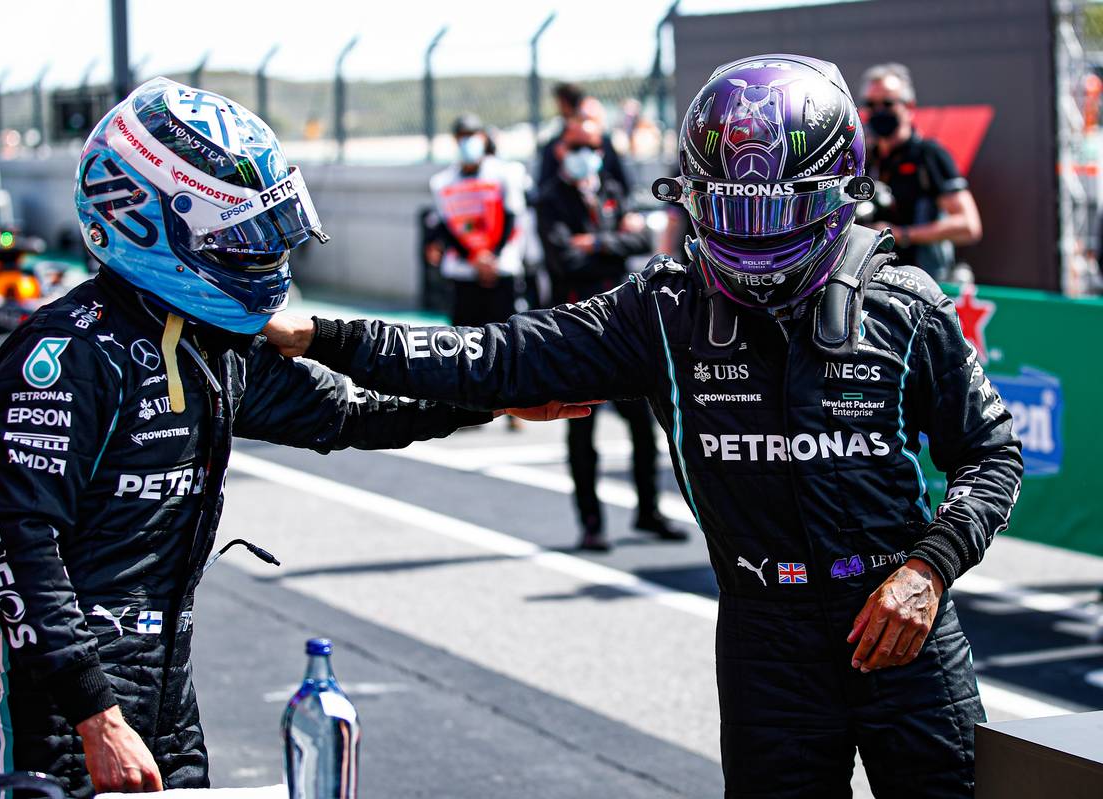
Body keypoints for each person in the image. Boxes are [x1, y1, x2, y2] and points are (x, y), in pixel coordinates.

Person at [266, 54, 1023, 798]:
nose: (752, 236)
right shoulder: (663, 310)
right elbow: (493, 356)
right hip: (768, 639)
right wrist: (327, 337)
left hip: (902, 628)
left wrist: (928, 569)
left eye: (774, 209)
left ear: (838, 194)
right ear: (691, 198)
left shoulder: (906, 308)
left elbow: (991, 454)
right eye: (730, 208)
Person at [0, 78, 586, 798]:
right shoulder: (67, 357)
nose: (259, 252)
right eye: (238, 235)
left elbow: (349, 413)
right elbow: (14, 544)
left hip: (167, 694)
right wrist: (94, 713)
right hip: (56, 707)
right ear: (144, 220)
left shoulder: (215, 343)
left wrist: (496, 398)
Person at [536, 113, 685, 550]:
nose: (586, 155)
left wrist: (594, 242)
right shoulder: (549, 199)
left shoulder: (613, 191)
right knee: (580, 426)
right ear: (561, 149)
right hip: (573, 327)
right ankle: (591, 521)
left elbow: (640, 245)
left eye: (593, 146)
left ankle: (648, 511)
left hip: (619, 325)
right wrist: (609, 240)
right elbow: (564, 259)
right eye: (576, 146)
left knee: (643, 424)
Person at [860, 63, 982, 280]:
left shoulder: (929, 155)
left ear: (909, 107)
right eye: (871, 104)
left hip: (923, 282)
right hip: (872, 278)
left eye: (888, 103)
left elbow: (968, 226)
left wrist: (901, 234)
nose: (879, 111)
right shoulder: (864, 157)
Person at [426, 114, 527, 328]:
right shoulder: (442, 182)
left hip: (501, 266)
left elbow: (512, 217)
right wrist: (473, 258)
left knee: (505, 335)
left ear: (483, 137)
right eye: (462, 136)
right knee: (463, 336)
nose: (468, 141)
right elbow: (445, 226)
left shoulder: (504, 174)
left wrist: (492, 257)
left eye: (472, 135)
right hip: (463, 270)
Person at [536, 82, 630, 196]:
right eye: (575, 148)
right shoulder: (554, 148)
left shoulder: (603, 143)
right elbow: (543, 191)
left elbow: (623, 187)